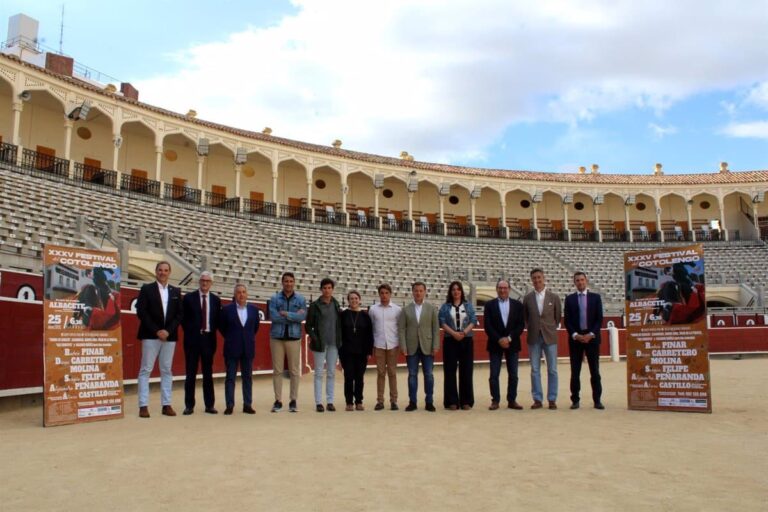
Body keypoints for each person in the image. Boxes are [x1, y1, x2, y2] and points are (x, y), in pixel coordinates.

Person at [136, 261, 183, 418]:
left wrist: (167, 331)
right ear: (156, 271)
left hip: (169, 337)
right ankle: (143, 405)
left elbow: (179, 315)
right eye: (160, 270)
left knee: (166, 370)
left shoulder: (176, 291)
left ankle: (166, 404)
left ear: (169, 273)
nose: (163, 273)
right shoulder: (146, 289)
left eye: (166, 270)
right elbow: (142, 312)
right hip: (151, 335)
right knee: (146, 369)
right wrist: (157, 331)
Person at [181, 271, 221, 415]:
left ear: (211, 283)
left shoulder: (216, 300)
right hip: (192, 339)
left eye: (207, 281)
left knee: (208, 373)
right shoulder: (188, 298)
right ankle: (189, 405)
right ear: (199, 282)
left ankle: (209, 405)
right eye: (202, 280)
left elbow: (217, 321)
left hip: (209, 340)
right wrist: (193, 332)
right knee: (190, 373)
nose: (204, 283)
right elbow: (183, 319)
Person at [522, 268, 562, 410]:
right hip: (534, 336)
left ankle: (552, 399)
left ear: (544, 278)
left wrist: (549, 327)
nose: (537, 280)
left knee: (552, 369)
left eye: (539, 277)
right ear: (531, 280)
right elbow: (526, 318)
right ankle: (537, 399)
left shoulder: (554, 297)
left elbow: (557, 318)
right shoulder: (527, 298)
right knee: (535, 369)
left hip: (550, 336)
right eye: (534, 278)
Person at [564, 272, 604, 410]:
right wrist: (575, 334)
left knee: (595, 370)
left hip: (592, 338)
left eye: (582, 280)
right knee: (575, 371)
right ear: (574, 282)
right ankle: (575, 400)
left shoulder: (596, 297)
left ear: (586, 281)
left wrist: (591, 334)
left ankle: (597, 400)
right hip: (576, 339)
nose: (580, 282)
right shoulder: (569, 299)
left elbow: (599, 319)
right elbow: (567, 320)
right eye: (577, 280)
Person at [483, 279, 525, 411]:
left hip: (512, 343)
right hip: (496, 343)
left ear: (509, 289)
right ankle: (495, 400)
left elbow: (520, 325)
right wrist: (499, 339)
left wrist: (509, 338)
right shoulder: (489, 305)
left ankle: (511, 400)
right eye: (500, 288)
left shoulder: (518, 305)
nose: (502, 290)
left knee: (513, 374)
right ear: (497, 289)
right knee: (494, 374)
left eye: (505, 288)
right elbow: (487, 326)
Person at [398, 281, 440, 412]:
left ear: (425, 292)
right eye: (416, 290)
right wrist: (403, 346)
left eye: (421, 291)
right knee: (412, 375)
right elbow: (401, 329)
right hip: (411, 346)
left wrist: (435, 345)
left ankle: (429, 401)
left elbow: (435, 329)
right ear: (412, 292)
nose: (418, 293)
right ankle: (412, 401)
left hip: (427, 345)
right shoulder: (405, 310)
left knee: (429, 375)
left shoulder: (431, 309)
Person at [219, 283, 260, 415]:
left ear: (247, 294)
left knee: (247, 377)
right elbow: (222, 328)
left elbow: (255, 328)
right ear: (235, 295)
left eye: (243, 292)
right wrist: (232, 338)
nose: (241, 295)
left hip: (247, 347)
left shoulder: (254, 310)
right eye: (238, 292)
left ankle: (247, 404)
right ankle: (229, 405)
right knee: (230, 377)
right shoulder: (226, 310)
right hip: (232, 347)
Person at [268, 272, 307, 413]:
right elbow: (274, 317)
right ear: (282, 282)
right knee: (277, 370)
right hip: (277, 338)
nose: (288, 283)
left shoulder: (300, 299)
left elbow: (302, 317)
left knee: (294, 371)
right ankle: (278, 400)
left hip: (293, 337)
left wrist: (286, 314)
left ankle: (293, 400)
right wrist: (294, 316)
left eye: (291, 281)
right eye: (286, 281)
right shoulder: (274, 298)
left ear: (294, 282)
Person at [438, 281, 477, 410]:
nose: (456, 292)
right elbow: (442, 322)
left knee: (466, 370)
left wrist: (464, 332)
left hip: (466, 340)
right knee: (449, 371)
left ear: (461, 292)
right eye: (453, 289)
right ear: (450, 292)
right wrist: (454, 333)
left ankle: (466, 400)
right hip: (450, 340)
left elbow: (473, 320)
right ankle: (451, 401)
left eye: (458, 289)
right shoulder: (445, 306)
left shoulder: (468, 305)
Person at [306, 278, 342, 412]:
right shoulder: (315, 306)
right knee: (319, 373)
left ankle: (330, 401)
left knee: (332, 373)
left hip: (333, 343)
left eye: (329, 288)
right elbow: (308, 326)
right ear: (321, 289)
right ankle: (319, 402)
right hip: (320, 343)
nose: (327, 290)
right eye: (325, 288)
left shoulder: (336, 304)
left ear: (332, 289)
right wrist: (315, 338)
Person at [368, 283, 401, 411]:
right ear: (379, 294)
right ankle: (380, 401)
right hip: (379, 344)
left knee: (392, 373)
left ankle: (394, 401)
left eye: (386, 293)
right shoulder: (373, 309)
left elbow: (400, 327)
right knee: (380, 373)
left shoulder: (397, 309)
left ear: (390, 294)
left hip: (393, 344)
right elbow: (371, 327)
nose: (384, 295)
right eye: (382, 293)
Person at [339, 290, 374, 411]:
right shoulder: (343, 315)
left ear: (360, 300)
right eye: (351, 299)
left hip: (362, 351)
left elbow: (370, 335)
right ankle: (349, 402)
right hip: (346, 351)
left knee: (359, 377)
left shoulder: (365, 316)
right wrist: (340, 350)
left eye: (356, 298)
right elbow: (340, 333)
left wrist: (369, 351)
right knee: (348, 377)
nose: (354, 300)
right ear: (348, 301)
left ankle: (359, 401)